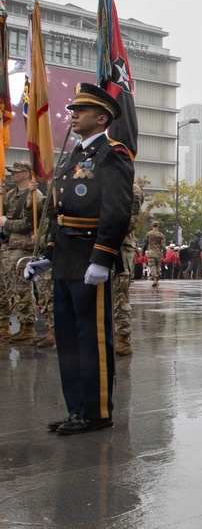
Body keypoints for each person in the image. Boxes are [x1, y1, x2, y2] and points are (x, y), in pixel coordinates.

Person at [24, 84, 134, 435]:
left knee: (91, 338)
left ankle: (98, 411)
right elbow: (61, 214)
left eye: (80, 110)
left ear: (101, 118)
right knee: (69, 340)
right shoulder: (72, 155)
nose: (72, 113)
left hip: (90, 260)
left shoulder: (112, 153)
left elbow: (116, 212)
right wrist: (47, 256)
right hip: (66, 259)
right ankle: (77, 409)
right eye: (72, 108)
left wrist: (102, 258)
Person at [0, 161, 44, 343]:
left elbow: (29, 224)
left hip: (22, 247)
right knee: (5, 287)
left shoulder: (34, 196)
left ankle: (27, 325)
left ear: (26, 174)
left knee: (21, 288)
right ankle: (4, 324)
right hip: (8, 246)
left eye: (16, 172)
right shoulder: (10, 194)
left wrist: (6, 223)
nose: (12, 174)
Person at [112, 183, 143, 356]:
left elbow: (130, 221)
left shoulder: (131, 188)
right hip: (96, 244)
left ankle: (122, 337)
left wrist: (105, 233)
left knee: (120, 293)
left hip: (120, 245)